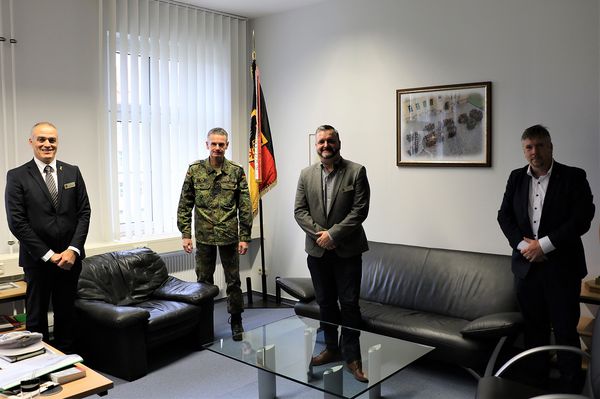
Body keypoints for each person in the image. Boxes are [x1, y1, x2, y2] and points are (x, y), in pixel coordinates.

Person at [497, 124, 595, 393]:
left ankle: (570, 389)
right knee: (534, 330)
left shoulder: (574, 177)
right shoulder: (516, 178)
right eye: (529, 147)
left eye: (540, 145)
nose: (534, 152)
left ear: (551, 147)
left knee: (565, 331)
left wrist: (544, 245)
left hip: (562, 269)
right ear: (523, 150)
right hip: (526, 269)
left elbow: (582, 218)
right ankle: (537, 386)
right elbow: (504, 216)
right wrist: (523, 247)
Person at [5, 122, 91, 352]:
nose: (47, 144)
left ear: (57, 142)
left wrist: (73, 249)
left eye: (52, 140)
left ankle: (67, 361)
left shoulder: (72, 171)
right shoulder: (17, 176)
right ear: (31, 142)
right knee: (36, 318)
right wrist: (49, 255)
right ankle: (40, 364)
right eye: (41, 139)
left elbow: (84, 213)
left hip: (70, 261)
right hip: (37, 262)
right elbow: (17, 223)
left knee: (67, 314)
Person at [294, 124, 370, 382]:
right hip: (317, 252)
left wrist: (333, 235)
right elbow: (299, 211)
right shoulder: (306, 175)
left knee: (349, 305)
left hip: (348, 251)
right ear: (316, 146)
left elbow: (359, 211)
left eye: (330, 141)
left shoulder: (356, 172)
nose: (325, 146)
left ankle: (352, 357)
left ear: (338, 142)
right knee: (325, 303)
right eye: (321, 142)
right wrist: (321, 236)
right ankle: (330, 348)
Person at [177, 127, 252, 341]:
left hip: (229, 235)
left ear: (227, 145)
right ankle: (204, 324)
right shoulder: (195, 170)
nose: (217, 148)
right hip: (204, 236)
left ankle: (236, 321)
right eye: (214, 144)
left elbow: (244, 206)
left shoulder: (236, 171)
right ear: (207, 145)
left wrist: (244, 236)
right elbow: (185, 203)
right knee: (203, 283)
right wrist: (185, 233)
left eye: (221, 144)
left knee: (233, 281)